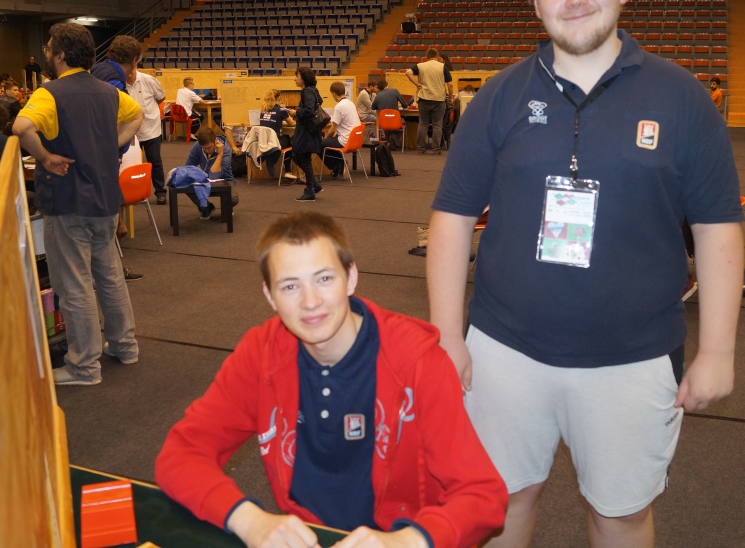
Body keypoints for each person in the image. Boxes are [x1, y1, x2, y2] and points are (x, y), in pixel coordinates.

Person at [427, 0, 745, 548]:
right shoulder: (498, 97)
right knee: (499, 502)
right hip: (504, 352)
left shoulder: (682, 98)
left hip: (633, 359)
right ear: (535, 3)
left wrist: (718, 351)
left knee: (620, 514)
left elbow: (718, 230)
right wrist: (445, 335)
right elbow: (452, 218)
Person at [155, 212, 507, 547]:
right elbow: (181, 455)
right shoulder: (261, 354)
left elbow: (482, 494)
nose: (311, 302)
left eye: (324, 279)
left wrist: (409, 540)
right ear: (269, 296)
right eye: (290, 286)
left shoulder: (418, 362)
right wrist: (249, 521)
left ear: (350, 277)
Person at [12, 23, 144, 386]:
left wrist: (45, 156)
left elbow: (21, 128)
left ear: (60, 55)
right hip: (105, 200)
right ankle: (124, 346)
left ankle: (83, 366)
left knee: (74, 285)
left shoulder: (49, 93)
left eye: (49, 48)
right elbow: (137, 116)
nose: (46, 53)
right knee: (110, 276)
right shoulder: (108, 91)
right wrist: (110, 147)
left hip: (68, 200)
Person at [122, 41, 167, 205]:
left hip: (151, 128)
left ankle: (160, 192)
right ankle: (137, 193)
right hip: (131, 131)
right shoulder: (120, 84)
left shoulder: (149, 80)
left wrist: (151, 112)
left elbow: (161, 98)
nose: (128, 74)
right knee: (133, 164)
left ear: (135, 66)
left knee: (155, 161)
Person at [183, 126, 240, 219]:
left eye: (209, 147)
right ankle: (206, 208)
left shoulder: (225, 149)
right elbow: (188, 167)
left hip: (225, 181)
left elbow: (214, 176)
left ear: (215, 141)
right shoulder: (197, 146)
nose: (207, 150)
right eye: (204, 148)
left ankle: (227, 206)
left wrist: (220, 154)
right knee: (183, 183)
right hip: (205, 181)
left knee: (233, 199)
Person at [405, 47, 452, 154]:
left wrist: (416, 84)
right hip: (438, 100)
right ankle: (436, 149)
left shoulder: (420, 66)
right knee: (437, 125)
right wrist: (450, 98)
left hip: (424, 98)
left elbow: (408, 72)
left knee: (423, 124)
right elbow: (450, 85)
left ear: (427, 57)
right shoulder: (443, 66)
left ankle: (421, 149)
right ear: (437, 56)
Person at [292, 67, 325, 202]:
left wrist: (296, 112)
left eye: (297, 76)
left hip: (306, 130)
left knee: (302, 158)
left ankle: (310, 189)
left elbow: (309, 110)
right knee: (299, 156)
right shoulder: (313, 90)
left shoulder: (307, 91)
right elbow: (319, 102)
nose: (295, 79)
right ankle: (314, 184)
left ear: (304, 78)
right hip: (310, 129)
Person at [321, 81, 360, 178]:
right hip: (355, 140)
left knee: (318, 143)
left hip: (345, 140)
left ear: (334, 94)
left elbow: (332, 129)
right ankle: (339, 165)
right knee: (329, 141)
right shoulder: (351, 103)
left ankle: (338, 164)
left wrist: (325, 138)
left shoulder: (339, 107)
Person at [258, 88, 296, 180]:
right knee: (290, 141)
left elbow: (272, 120)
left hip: (263, 141)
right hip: (275, 141)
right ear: (278, 98)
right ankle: (288, 171)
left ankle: (269, 155)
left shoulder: (263, 110)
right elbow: (292, 123)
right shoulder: (281, 110)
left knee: (285, 140)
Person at [371, 78, 409, 150]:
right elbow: (405, 105)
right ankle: (394, 137)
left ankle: (389, 141)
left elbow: (373, 107)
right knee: (404, 121)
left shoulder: (378, 96)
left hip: (384, 122)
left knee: (388, 125)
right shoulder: (394, 91)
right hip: (395, 121)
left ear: (379, 88)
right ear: (387, 85)